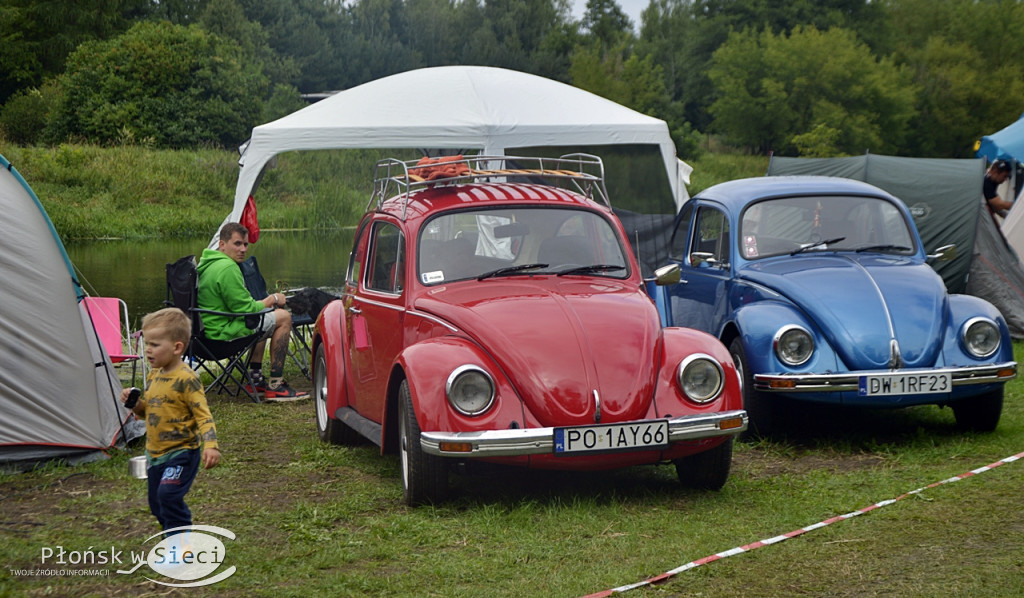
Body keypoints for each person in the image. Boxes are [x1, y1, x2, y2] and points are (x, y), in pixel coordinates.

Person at [122, 307, 220, 543]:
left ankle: (180, 543)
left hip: (181, 452)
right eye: (147, 343)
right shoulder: (154, 375)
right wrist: (136, 405)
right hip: (155, 454)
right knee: (157, 504)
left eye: (155, 344)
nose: (148, 350)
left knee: (168, 495)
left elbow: (203, 415)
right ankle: (172, 537)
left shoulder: (187, 379)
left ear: (177, 348)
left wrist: (211, 445)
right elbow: (150, 413)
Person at [197, 222, 307, 400]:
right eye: (237, 243)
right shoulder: (227, 268)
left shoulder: (208, 263)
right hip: (222, 336)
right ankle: (276, 385)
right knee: (284, 317)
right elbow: (246, 309)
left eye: (245, 244)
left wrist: (263, 306)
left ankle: (255, 379)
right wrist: (273, 299)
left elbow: (242, 307)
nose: (243, 249)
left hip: (204, 336)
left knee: (262, 315)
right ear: (222, 244)